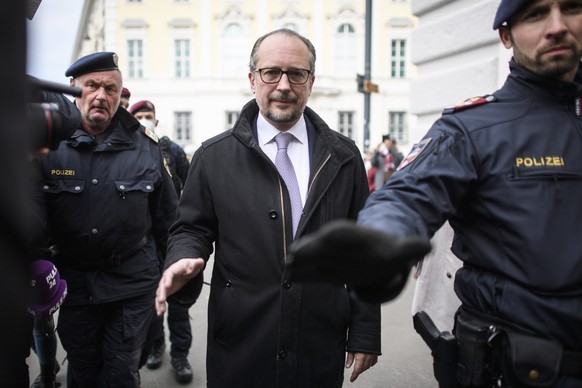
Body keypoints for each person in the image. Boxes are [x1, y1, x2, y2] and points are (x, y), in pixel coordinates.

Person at [303, 0, 582, 386]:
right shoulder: (472, 129)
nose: (557, 26)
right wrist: (380, 238)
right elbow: (407, 195)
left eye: (571, 8)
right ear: (505, 34)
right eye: (535, 14)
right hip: (522, 368)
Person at [155, 28, 381, 388]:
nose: (284, 85)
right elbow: (191, 229)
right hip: (241, 339)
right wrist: (182, 258)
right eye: (271, 72)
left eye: (297, 73)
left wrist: (366, 330)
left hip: (318, 340)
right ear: (252, 79)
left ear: (311, 81)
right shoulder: (213, 156)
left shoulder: (343, 156)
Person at [33, 51, 178, 387]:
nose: (101, 95)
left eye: (111, 89)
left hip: (133, 284)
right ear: (73, 90)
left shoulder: (146, 147)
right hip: (76, 285)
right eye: (92, 86)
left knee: (121, 372)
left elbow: (167, 221)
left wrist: (167, 279)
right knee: (82, 370)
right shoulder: (47, 146)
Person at [128, 99, 194, 383]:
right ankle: (156, 347)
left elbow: (192, 190)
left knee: (178, 304)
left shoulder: (172, 151)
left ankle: (180, 355)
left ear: (156, 118)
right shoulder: (129, 151)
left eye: (148, 115)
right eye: (139, 115)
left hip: (174, 238)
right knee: (153, 305)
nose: (145, 119)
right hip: (145, 245)